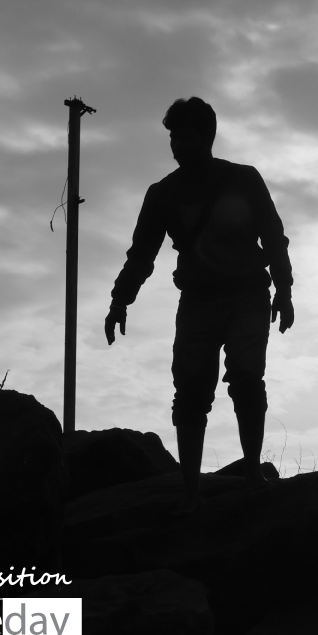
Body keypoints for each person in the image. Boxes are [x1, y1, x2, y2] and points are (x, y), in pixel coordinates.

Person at [104, 97, 294, 511]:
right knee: (190, 393)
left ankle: (250, 474)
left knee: (246, 382)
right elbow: (141, 255)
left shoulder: (244, 179)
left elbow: (273, 236)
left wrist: (285, 289)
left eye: (184, 136)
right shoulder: (162, 195)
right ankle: (190, 489)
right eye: (172, 137)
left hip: (246, 294)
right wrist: (120, 300)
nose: (176, 145)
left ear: (206, 137)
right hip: (198, 301)